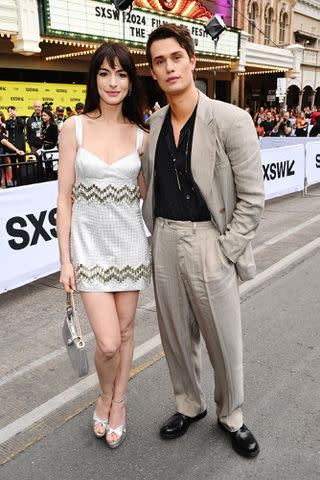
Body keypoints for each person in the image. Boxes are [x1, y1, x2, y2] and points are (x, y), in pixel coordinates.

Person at [142, 24, 264, 458]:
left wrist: (227, 249)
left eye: (176, 57)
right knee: (175, 337)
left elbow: (252, 197)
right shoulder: (154, 123)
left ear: (192, 60)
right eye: (160, 61)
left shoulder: (232, 119)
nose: (169, 67)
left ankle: (232, 414)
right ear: (154, 72)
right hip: (165, 239)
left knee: (223, 340)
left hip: (210, 240)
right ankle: (188, 405)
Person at [57, 42, 151, 449]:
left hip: (130, 246)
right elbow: (63, 199)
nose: (113, 83)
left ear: (131, 83)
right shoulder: (73, 127)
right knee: (108, 342)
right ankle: (103, 393)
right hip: (90, 251)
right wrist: (65, 262)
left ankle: (119, 402)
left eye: (122, 74)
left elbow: (145, 196)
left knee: (127, 332)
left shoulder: (142, 137)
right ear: (94, 78)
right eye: (104, 73)